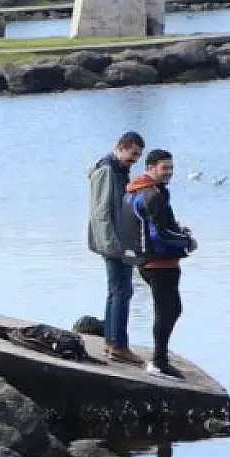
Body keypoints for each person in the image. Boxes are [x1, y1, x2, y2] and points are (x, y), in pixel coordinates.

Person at [121, 149, 196, 380]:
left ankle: (159, 357)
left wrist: (179, 230)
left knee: (170, 309)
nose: (169, 172)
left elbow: (152, 226)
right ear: (150, 168)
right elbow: (160, 234)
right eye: (164, 168)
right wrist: (187, 241)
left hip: (145, 260)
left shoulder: (134, 191)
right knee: (168, 309)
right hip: (159, 263)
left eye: (171, 168)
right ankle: (159, 362)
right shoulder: (152, 195)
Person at [87, 131, 145, 365]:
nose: (135, 160)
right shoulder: (107, 170)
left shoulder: (118, 169)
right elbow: (101, 212)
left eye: (138, 156)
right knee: (122, 291)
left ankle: (112, 343)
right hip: (114, 243)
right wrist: (113, 246)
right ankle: (118, 345)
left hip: (119, 240)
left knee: (117, 291)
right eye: (133, 154)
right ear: (121, 147)